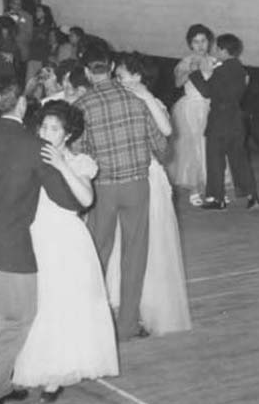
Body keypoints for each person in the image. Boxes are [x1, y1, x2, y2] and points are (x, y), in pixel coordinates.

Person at [0, 77, 84, 404]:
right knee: (23, 319)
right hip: (14, 248)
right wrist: (64, 167)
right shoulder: (34, 146)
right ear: (22, 105)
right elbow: (69, 201)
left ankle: (0, 384)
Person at [12, 101, 118, 402]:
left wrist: (61, 165)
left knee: (61, 302)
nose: (47, 133)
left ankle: (56, 374)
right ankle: (29, 365)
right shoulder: (31, 157)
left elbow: (85, 198)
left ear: (67, 135)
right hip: (34, 234)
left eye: (54, 128)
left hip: (66, 238)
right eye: (43, 127)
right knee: (35, 303)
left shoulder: (80, 161)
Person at [74, 44, 168, 341]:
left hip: (103, 188)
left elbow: (78, 153)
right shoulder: (136, 98)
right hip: (137, 185)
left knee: (97, 255)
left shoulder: (82, 106)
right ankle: (128, 325)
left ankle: (93, 323)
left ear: (87, 72)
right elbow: (162, 146)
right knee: (134, 255)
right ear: (112, 66)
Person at [108, 53, 192, 336]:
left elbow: (166, 131)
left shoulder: (150, 101)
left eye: (121, 75)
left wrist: (144, 97)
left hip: (148, 177)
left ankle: (148, 308)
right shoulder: (118, 100)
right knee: (125, 243)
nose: (117, 80)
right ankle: (127, 308)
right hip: (124, 177)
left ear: (138, 77)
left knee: (151, 243)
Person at [190, 33, 259, 211]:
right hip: (236, 120)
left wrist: (195, 74)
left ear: (223, 50)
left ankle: (217, 199)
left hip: (219, 121)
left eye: (216, 48)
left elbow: (207, 91)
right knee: (239, 160)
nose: (214, 51)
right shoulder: (241, 69)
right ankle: (253, 196)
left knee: (215, 160)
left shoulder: (221, 71)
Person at [169, 24, 218, 206]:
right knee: (191, 149)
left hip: (210, 107)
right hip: (189, 109)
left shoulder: (214, 61)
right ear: (190, 44)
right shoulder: (185, 62)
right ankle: (194, 189)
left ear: (209, 42)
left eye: (203, 41)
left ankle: (212, 187)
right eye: (196, 42)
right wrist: (190, 70)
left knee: (210, 147)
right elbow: (177, 83)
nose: (200, 45)